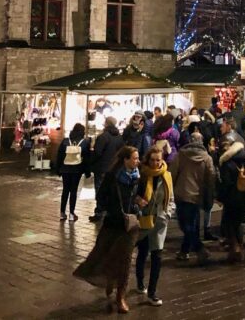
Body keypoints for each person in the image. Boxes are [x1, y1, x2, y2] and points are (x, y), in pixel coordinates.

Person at [74, 146, 142, 314]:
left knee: (126, 260)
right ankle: (110, 280)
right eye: (134, 158)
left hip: (130, 226)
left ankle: (120, 297)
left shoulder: (138, 177)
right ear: (125, 160)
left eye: (137, 158)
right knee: (106, 254)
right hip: (113, 223)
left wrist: (138, 204)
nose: (137, 161)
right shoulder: (112, 176)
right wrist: (114, 209)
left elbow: (139, 196)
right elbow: (101, 197)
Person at [135, 147, 173, 307]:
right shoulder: (142, 175)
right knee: (143, 253)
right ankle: (140, 282)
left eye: (158, 160)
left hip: (160, 221)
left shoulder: (167, 175)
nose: (156, 163)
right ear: (147, 160)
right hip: (144, 220)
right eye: (152, 160)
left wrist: (168, 213)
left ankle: (152, 292)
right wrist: (138, 200)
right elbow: (134, 194)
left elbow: (171, 198)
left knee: (157, 256)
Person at [170, 131, 215, 264]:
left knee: (185, 225)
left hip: (182, 193)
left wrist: (171, 190)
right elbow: (210, 178)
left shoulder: (181, 155)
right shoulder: (207, 158)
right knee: (192, 224)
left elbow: (172, 173)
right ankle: (185, 251)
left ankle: (198, 248)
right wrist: (209, 195)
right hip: (197, 195)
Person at [216, 131, 245, 262]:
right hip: (243, 194)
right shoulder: (243, 158)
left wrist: (220, 197)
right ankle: (239, 246)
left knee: (229, 223)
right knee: (238, 222)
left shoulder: (226, 162)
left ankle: (235, 248)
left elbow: (226, 182)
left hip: (231, 196)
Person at [89, 116, 124, 222]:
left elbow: (97, 152)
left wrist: (91, 162)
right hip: (113, 168)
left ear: (107, 123)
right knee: (110, 190)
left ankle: (99, 211)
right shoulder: (119, 137)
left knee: (100, 189)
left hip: (102, 168)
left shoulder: (103, 136)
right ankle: (108, 211)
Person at [56, 123, 91, 222]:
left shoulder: (65, 141)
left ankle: (62, 213)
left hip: (65, 169)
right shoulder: (85, 142)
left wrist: (58, 169)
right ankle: (71, 214)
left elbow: (59, 156)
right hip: (77, 169)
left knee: (65, 190)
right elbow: (87, 159)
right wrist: (87, 172)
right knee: (73, 191)